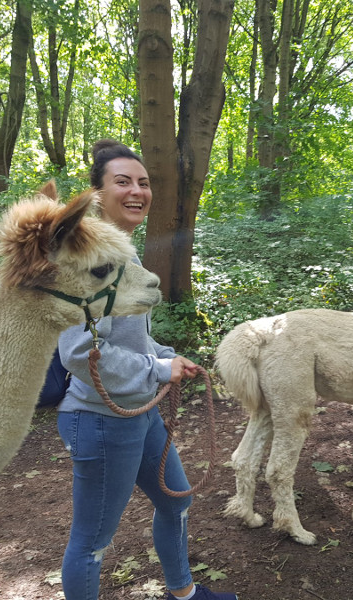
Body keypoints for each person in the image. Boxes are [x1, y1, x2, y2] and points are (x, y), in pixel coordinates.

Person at [56, 139, 238, 600]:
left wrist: (167, 355)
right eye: (123, 182)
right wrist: (158, 370)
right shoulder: (84, 259)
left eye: (143, 182)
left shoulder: (126, 255)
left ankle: (185, 594)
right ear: (96, 193)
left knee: (177, 501)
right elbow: (80, 353)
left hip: (140, 412)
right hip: (99, 419)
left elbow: (129, 340)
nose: (137, 190)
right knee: (92, 542)